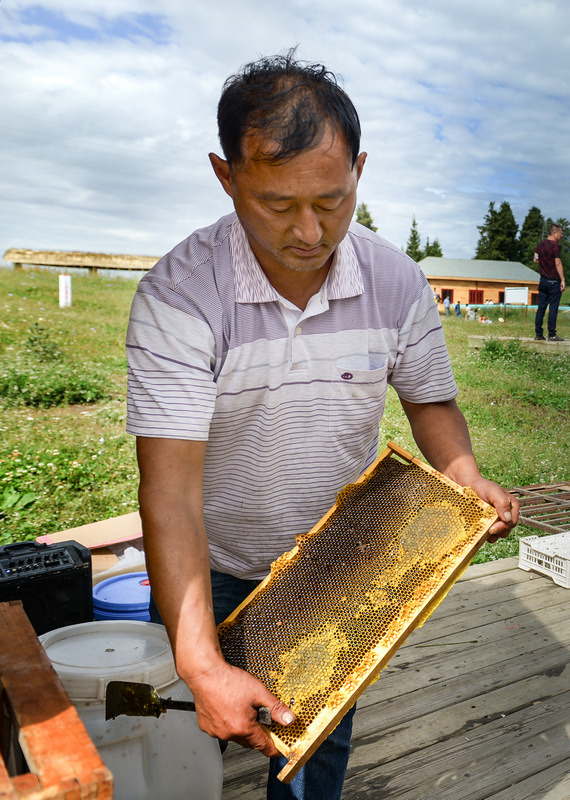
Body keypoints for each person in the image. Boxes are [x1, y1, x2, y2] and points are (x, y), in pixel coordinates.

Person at [125, 52, 517, 800]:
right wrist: (203, 664)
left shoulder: (396, 280)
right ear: (226, 175)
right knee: (175, 736)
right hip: (212, 561)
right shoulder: (181, 295)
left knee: (313, 747)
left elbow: (430, 403)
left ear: (359, 171)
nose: (310, 231)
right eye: (278, 204)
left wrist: (462, 476)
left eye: (332, 201)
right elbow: (169, 492)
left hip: (338, 564)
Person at [534, 224, 566, 341]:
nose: (561, 235)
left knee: (541, 307)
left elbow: (535, 259)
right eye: (560, 233)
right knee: (553, 308)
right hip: (553, 280)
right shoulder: (555, 246)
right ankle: (552, 334)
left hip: (543, 280)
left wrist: (544, 262)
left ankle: (538, 334)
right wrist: (562, 279)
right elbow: (558, 263)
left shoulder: (540, 244)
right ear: (554, 233)